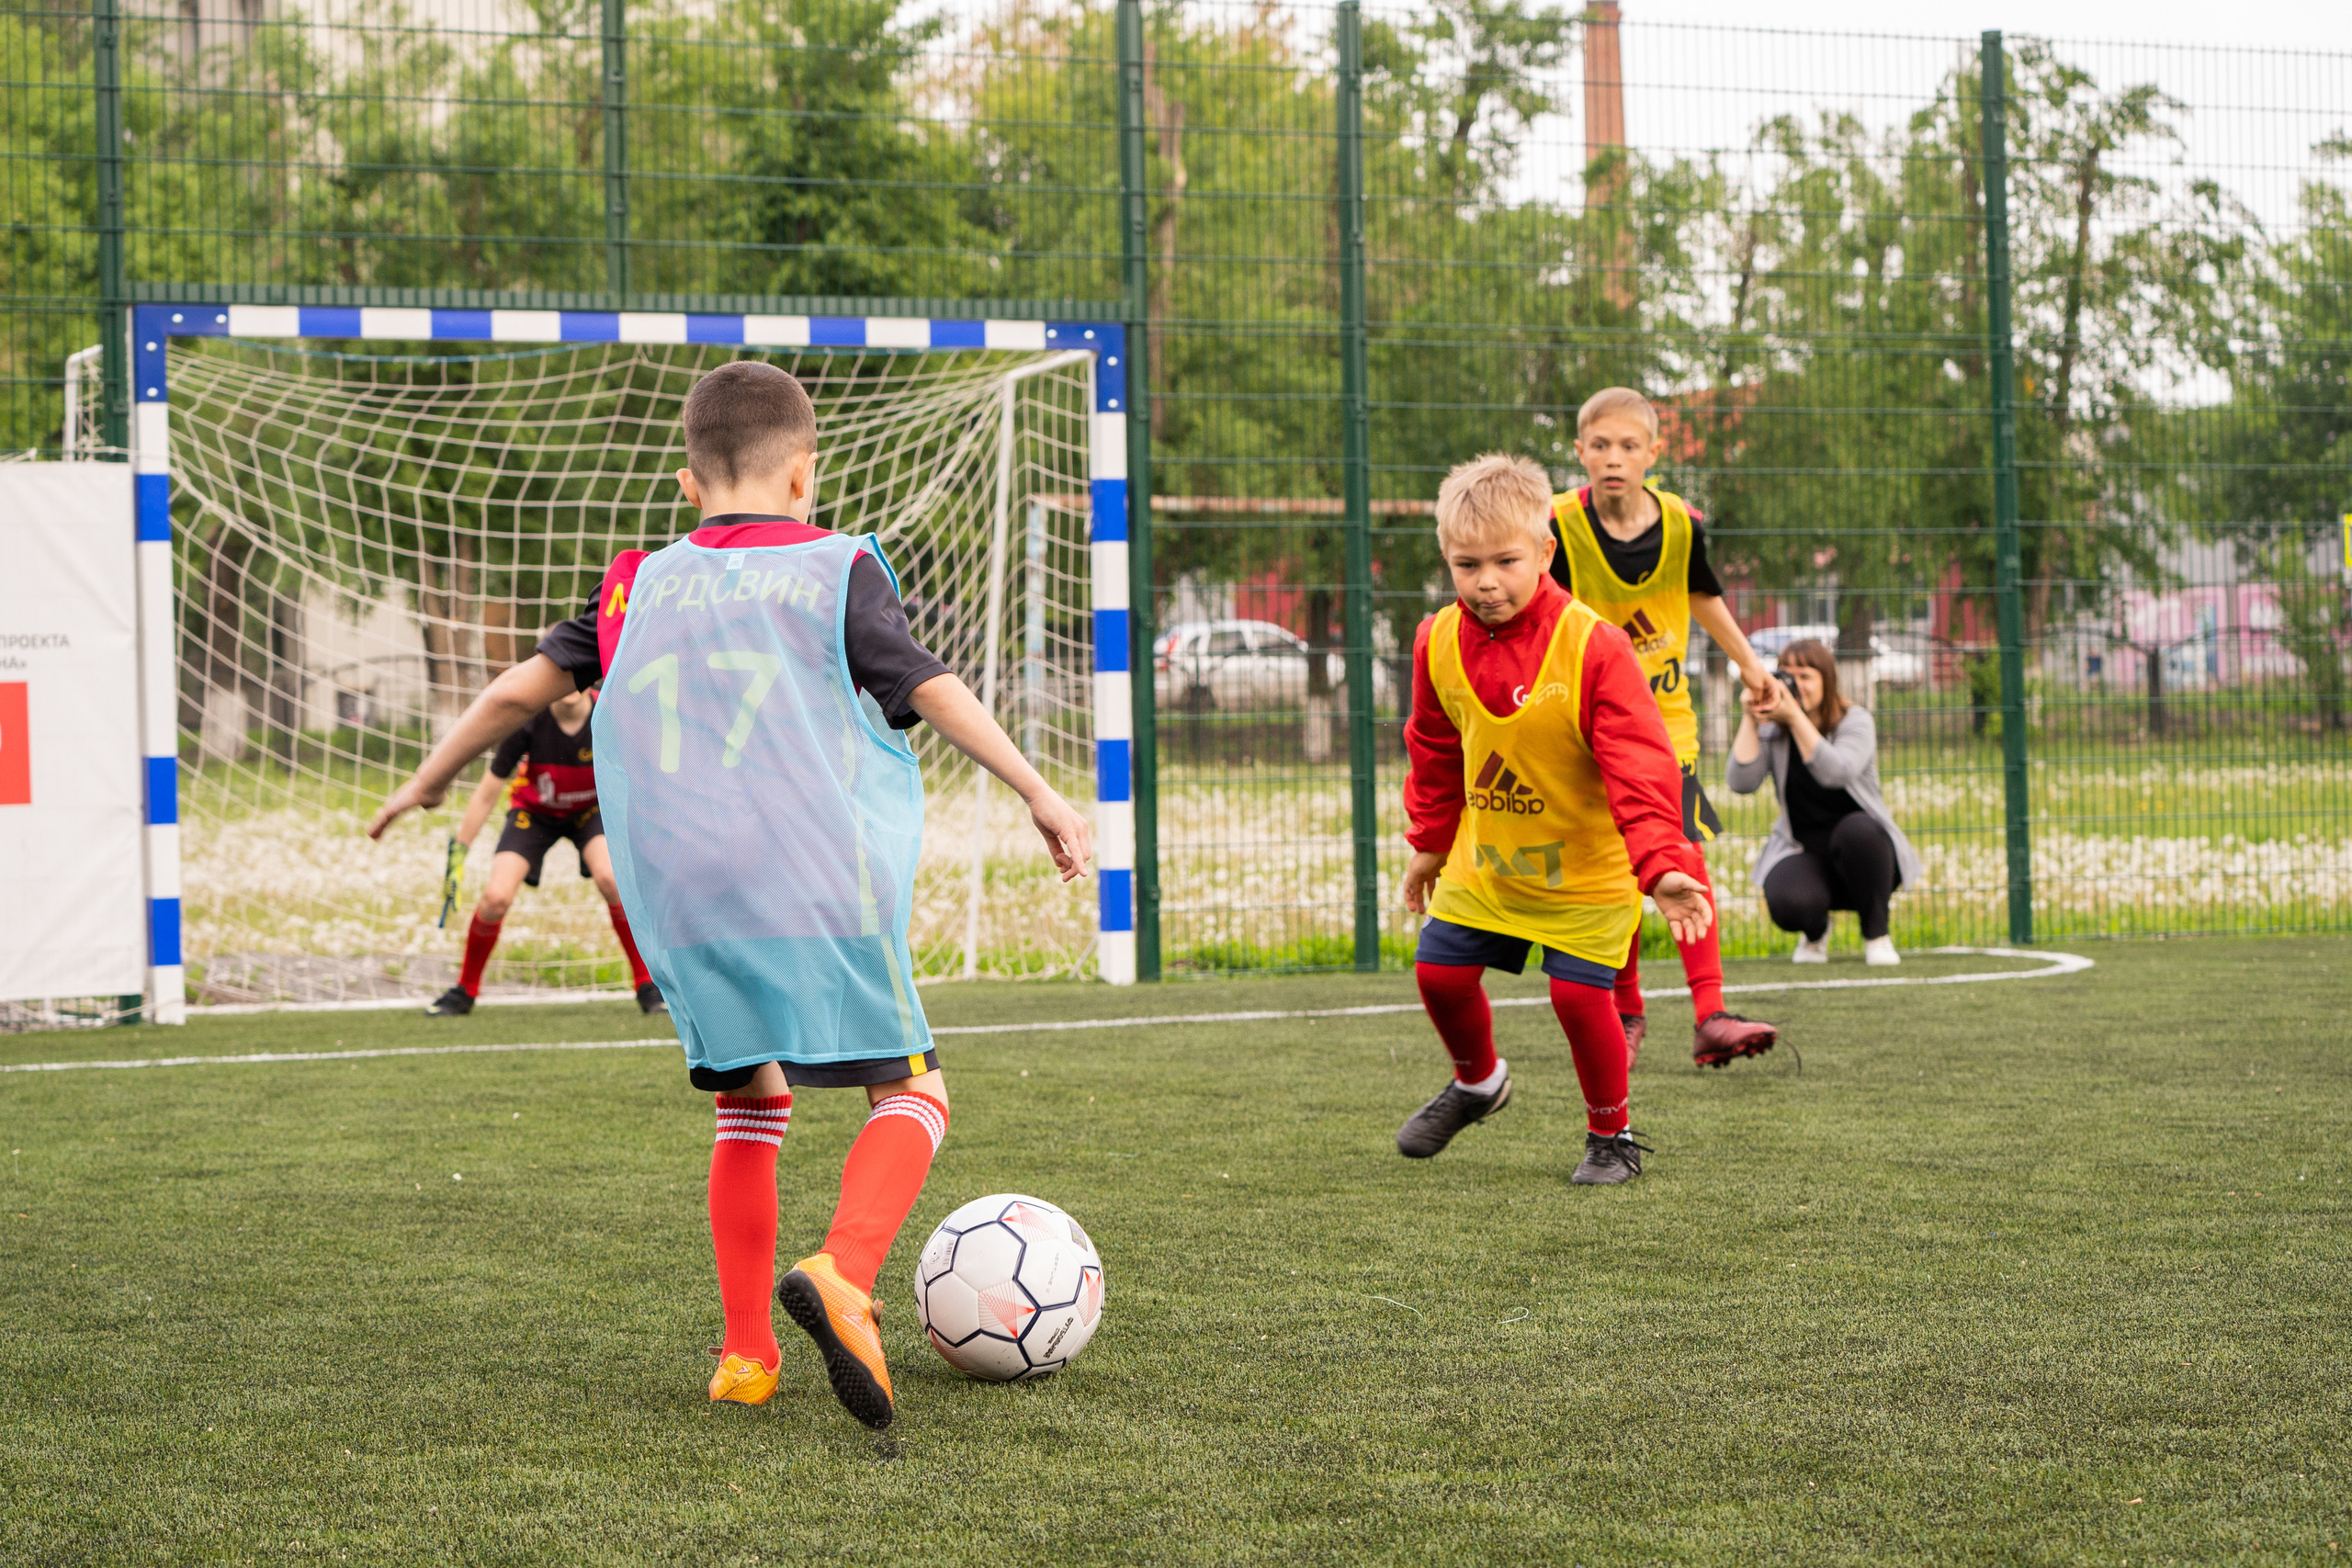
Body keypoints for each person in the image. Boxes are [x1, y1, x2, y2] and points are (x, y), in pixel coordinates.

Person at [366, 361, 1094, 1429]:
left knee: (753, 1106)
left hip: (684, 895)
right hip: (812, 875)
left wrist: (429, 781)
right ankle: (845, 1271)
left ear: (685, 483)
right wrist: (1037, 790)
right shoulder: (834, 564)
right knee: (914, 1093)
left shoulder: (637, 583)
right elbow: (924, 681)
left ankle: (746, 1355)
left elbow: (521, 689)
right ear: (806, 474)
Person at [1396, 453, 1717, 1187]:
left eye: (1506, 561)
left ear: (1545, 551)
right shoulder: (1435, 639)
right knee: (1439, 974)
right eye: (1465, 563)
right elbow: (1435, 751)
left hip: (1588, 867)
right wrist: (1428, 846)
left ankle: (1612, 1136)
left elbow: (1641, 764)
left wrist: (1662, 865)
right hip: (1491, 862)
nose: (1486, 581)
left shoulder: (1593, 644)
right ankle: (1478, 1083)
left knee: (1578, 996)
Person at [1547, 387, 1782, 1069]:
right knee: (1615, 868)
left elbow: (1702, 594)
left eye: (1628, 446)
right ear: (1580, 453)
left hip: (1664, 727)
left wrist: (1751, 665)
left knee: (1684, 855)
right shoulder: (1557, 525)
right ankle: (1626, 1010)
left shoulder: (1682, 524)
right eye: (1600, 445)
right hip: (1585, 725)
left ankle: (1710, 1014)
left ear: (1655, 452)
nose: (1613, 458)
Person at [426, 683, 665, 1017]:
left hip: (590, 812)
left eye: (574, 672)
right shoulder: (527, 721)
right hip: (533, 814)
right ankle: (464, 991)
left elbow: (643, 776)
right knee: (496, 897)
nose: (567, 683)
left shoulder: (610, 715)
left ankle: (647, 986)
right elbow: (486, 792)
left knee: (611, 879)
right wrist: (459, 854)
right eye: (559, 674)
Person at [1725, 637, 1921, 966]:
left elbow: (1836, 772)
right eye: (1785, 675)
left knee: (1857, 831)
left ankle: (1877, 935)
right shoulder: (1774, 728)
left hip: (1866, 856)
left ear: (1826, 681)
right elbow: (1741, 783)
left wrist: (1794, 717)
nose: (1793, 685)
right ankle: (1815, 934)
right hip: (1805, 849)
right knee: (1787, 902)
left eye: (1804, 676)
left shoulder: (1854, 721)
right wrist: (1750, 718)